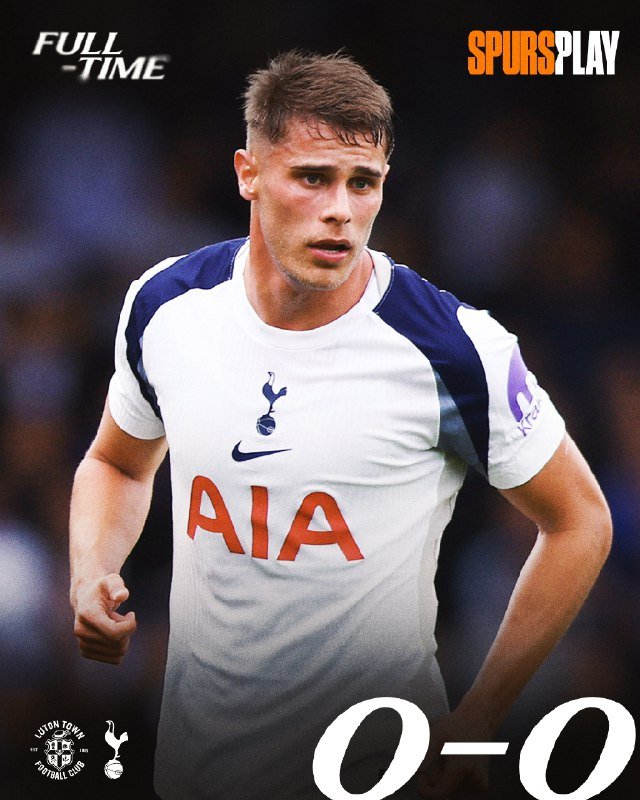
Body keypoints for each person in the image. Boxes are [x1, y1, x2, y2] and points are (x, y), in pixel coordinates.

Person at [69, 50, 612, 800]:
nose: (341, 210)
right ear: (248, 173)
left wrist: (478, 716)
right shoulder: (166, 305)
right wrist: (90, 572)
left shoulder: (453, 348)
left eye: (364, 183)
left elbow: (580, 521)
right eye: (313, 178)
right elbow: (117, 463)